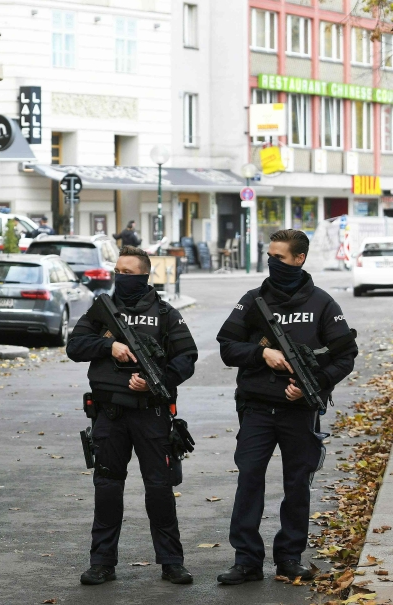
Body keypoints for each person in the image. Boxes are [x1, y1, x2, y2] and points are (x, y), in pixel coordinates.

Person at [216, 229, 357, 585]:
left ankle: (289, 558)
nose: (271, 262)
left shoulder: (323, 303)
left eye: (279, 257)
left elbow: (345, 355)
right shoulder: (252, 301)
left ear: (299, 259)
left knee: (297, 484)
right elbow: (227, 347)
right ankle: (247, 561)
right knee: (249, 480)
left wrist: (317, 385)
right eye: (270, 255)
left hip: (299, 410)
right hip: (257, 408)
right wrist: (261, 352)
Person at [67, 246, 198, 586]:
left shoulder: (166, 313)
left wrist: (158, 383)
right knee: (108, 489)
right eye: (118, 271)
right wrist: (108, 346)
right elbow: (75, 346)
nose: (121, 277)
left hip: (151, 414)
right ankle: (102, 563)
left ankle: (171, 563)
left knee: (159, 489)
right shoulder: (101, 311)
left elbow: (187, 356)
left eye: (128, 272)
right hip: (110, 415)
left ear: (144, 275)